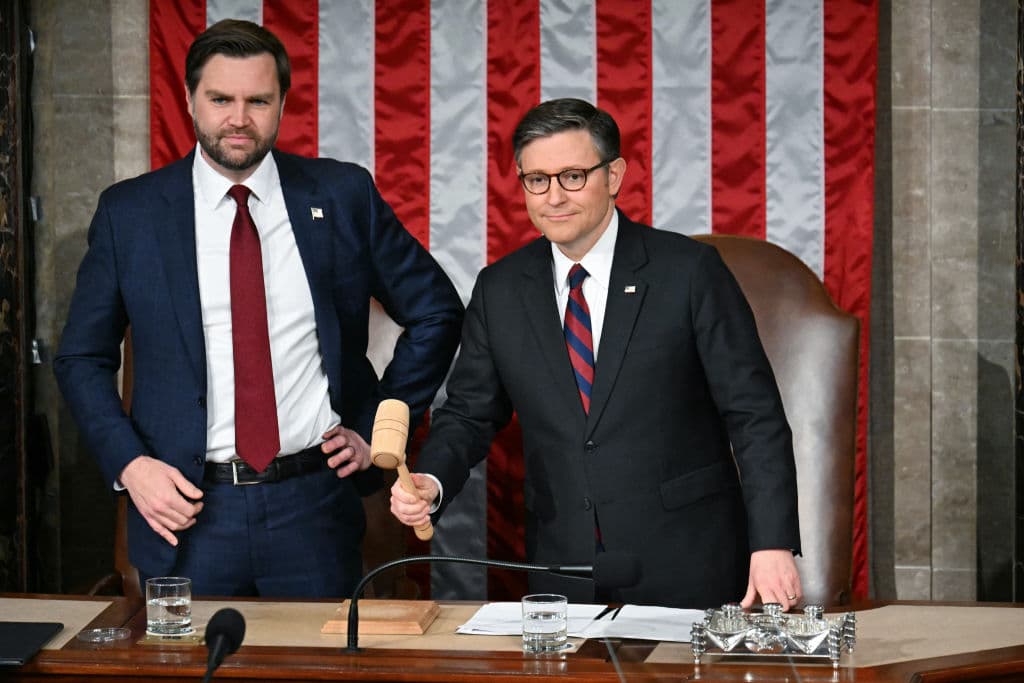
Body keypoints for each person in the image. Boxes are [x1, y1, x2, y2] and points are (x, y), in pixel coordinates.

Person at [54, 19, 463, 598]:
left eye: (258, 100)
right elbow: (80, 358)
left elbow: (437, 310)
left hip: (313, 508)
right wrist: (130, 466)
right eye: (221, 98)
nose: (239, 118)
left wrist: (379, 425)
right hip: (185, 513)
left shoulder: (341, 195)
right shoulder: (131, 213)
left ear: (281, 105)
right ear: (191, 100)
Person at [390, 98, 802, 610]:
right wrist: (432, 479)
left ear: (614, 175)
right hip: (564, 564)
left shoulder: (689, 272)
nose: (553, 197)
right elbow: (470, 412)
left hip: (687, 559)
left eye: (572, 176)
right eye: (536, 179)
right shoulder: (500, 289)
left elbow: (754, 415)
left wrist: (772, 543)